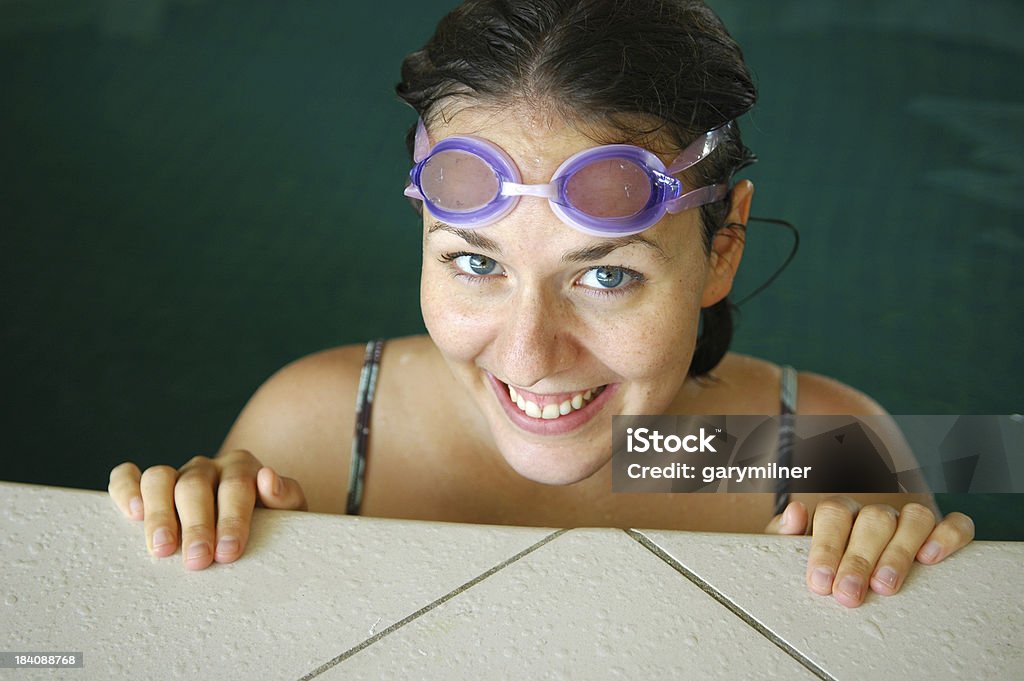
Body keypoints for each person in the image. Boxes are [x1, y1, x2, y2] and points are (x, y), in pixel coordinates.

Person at [107, 0, 974, 608]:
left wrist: (894, 541)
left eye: (606, 275)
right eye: (475, 262)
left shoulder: (812, 448)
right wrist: (193, 514)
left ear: (724, 249)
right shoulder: (322, 430)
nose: (528, 355)